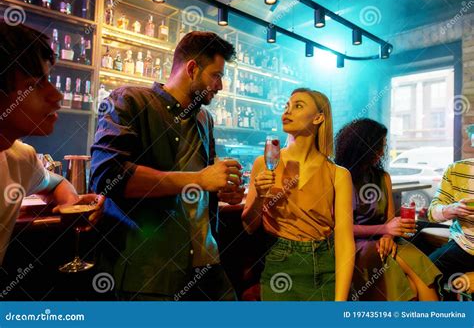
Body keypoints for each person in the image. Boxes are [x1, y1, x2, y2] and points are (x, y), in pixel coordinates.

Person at [90, 31, 245, 301]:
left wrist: (221, 191)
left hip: (206, 262)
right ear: (193, 69)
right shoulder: (130, 100)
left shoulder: (204, 118)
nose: (220, 86)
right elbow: (106, 177)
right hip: (150, 271)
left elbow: (204, 182)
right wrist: (200, 179)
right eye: (216, 75)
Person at [0, 21, 104, 268]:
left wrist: (69, 202)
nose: (57, 96)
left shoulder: (21, 158)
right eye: (35, 85)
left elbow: (55, 182)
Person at [242, 88, 355, 301]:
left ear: (319, 118)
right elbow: (249, 226)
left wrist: (341, 302)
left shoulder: (338, 174)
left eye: (298, 106)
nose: (287, 111)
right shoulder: (266, 163)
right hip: (280, 261)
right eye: (287, 106)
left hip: (324, 264)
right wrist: (259, 196)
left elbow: (344, 242)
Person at [334, 118, 441, 301]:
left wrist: (388, 237)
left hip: (382, 239)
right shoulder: (339, 175)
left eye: (383, 145)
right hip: (353, 244)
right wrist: (384, 230)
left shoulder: (383, 177)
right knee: (410, 286)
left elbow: (390, 219)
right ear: (362, 146)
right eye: (378, 146)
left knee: (422, 276)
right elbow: (339, 228)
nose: (381, 152)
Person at [427, 158, 474, 296]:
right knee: (424, 274)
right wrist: (452, 209)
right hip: (464, 246)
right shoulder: (456, 170)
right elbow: (432, 213)